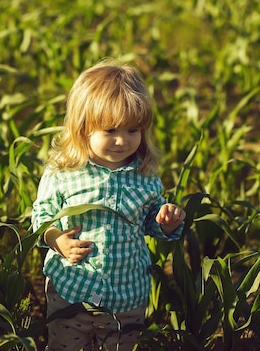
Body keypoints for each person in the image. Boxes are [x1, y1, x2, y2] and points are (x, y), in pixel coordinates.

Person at [31, 59, 186, 351]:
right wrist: (56, 240)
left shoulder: (145, 176)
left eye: (132, 130)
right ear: (83, 128)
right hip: (72, 293)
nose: (122, 141)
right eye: (110, 130)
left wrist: (166, 220)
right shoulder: (64, 173)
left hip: (126, 298)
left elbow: (151, 219)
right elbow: (42, 217)